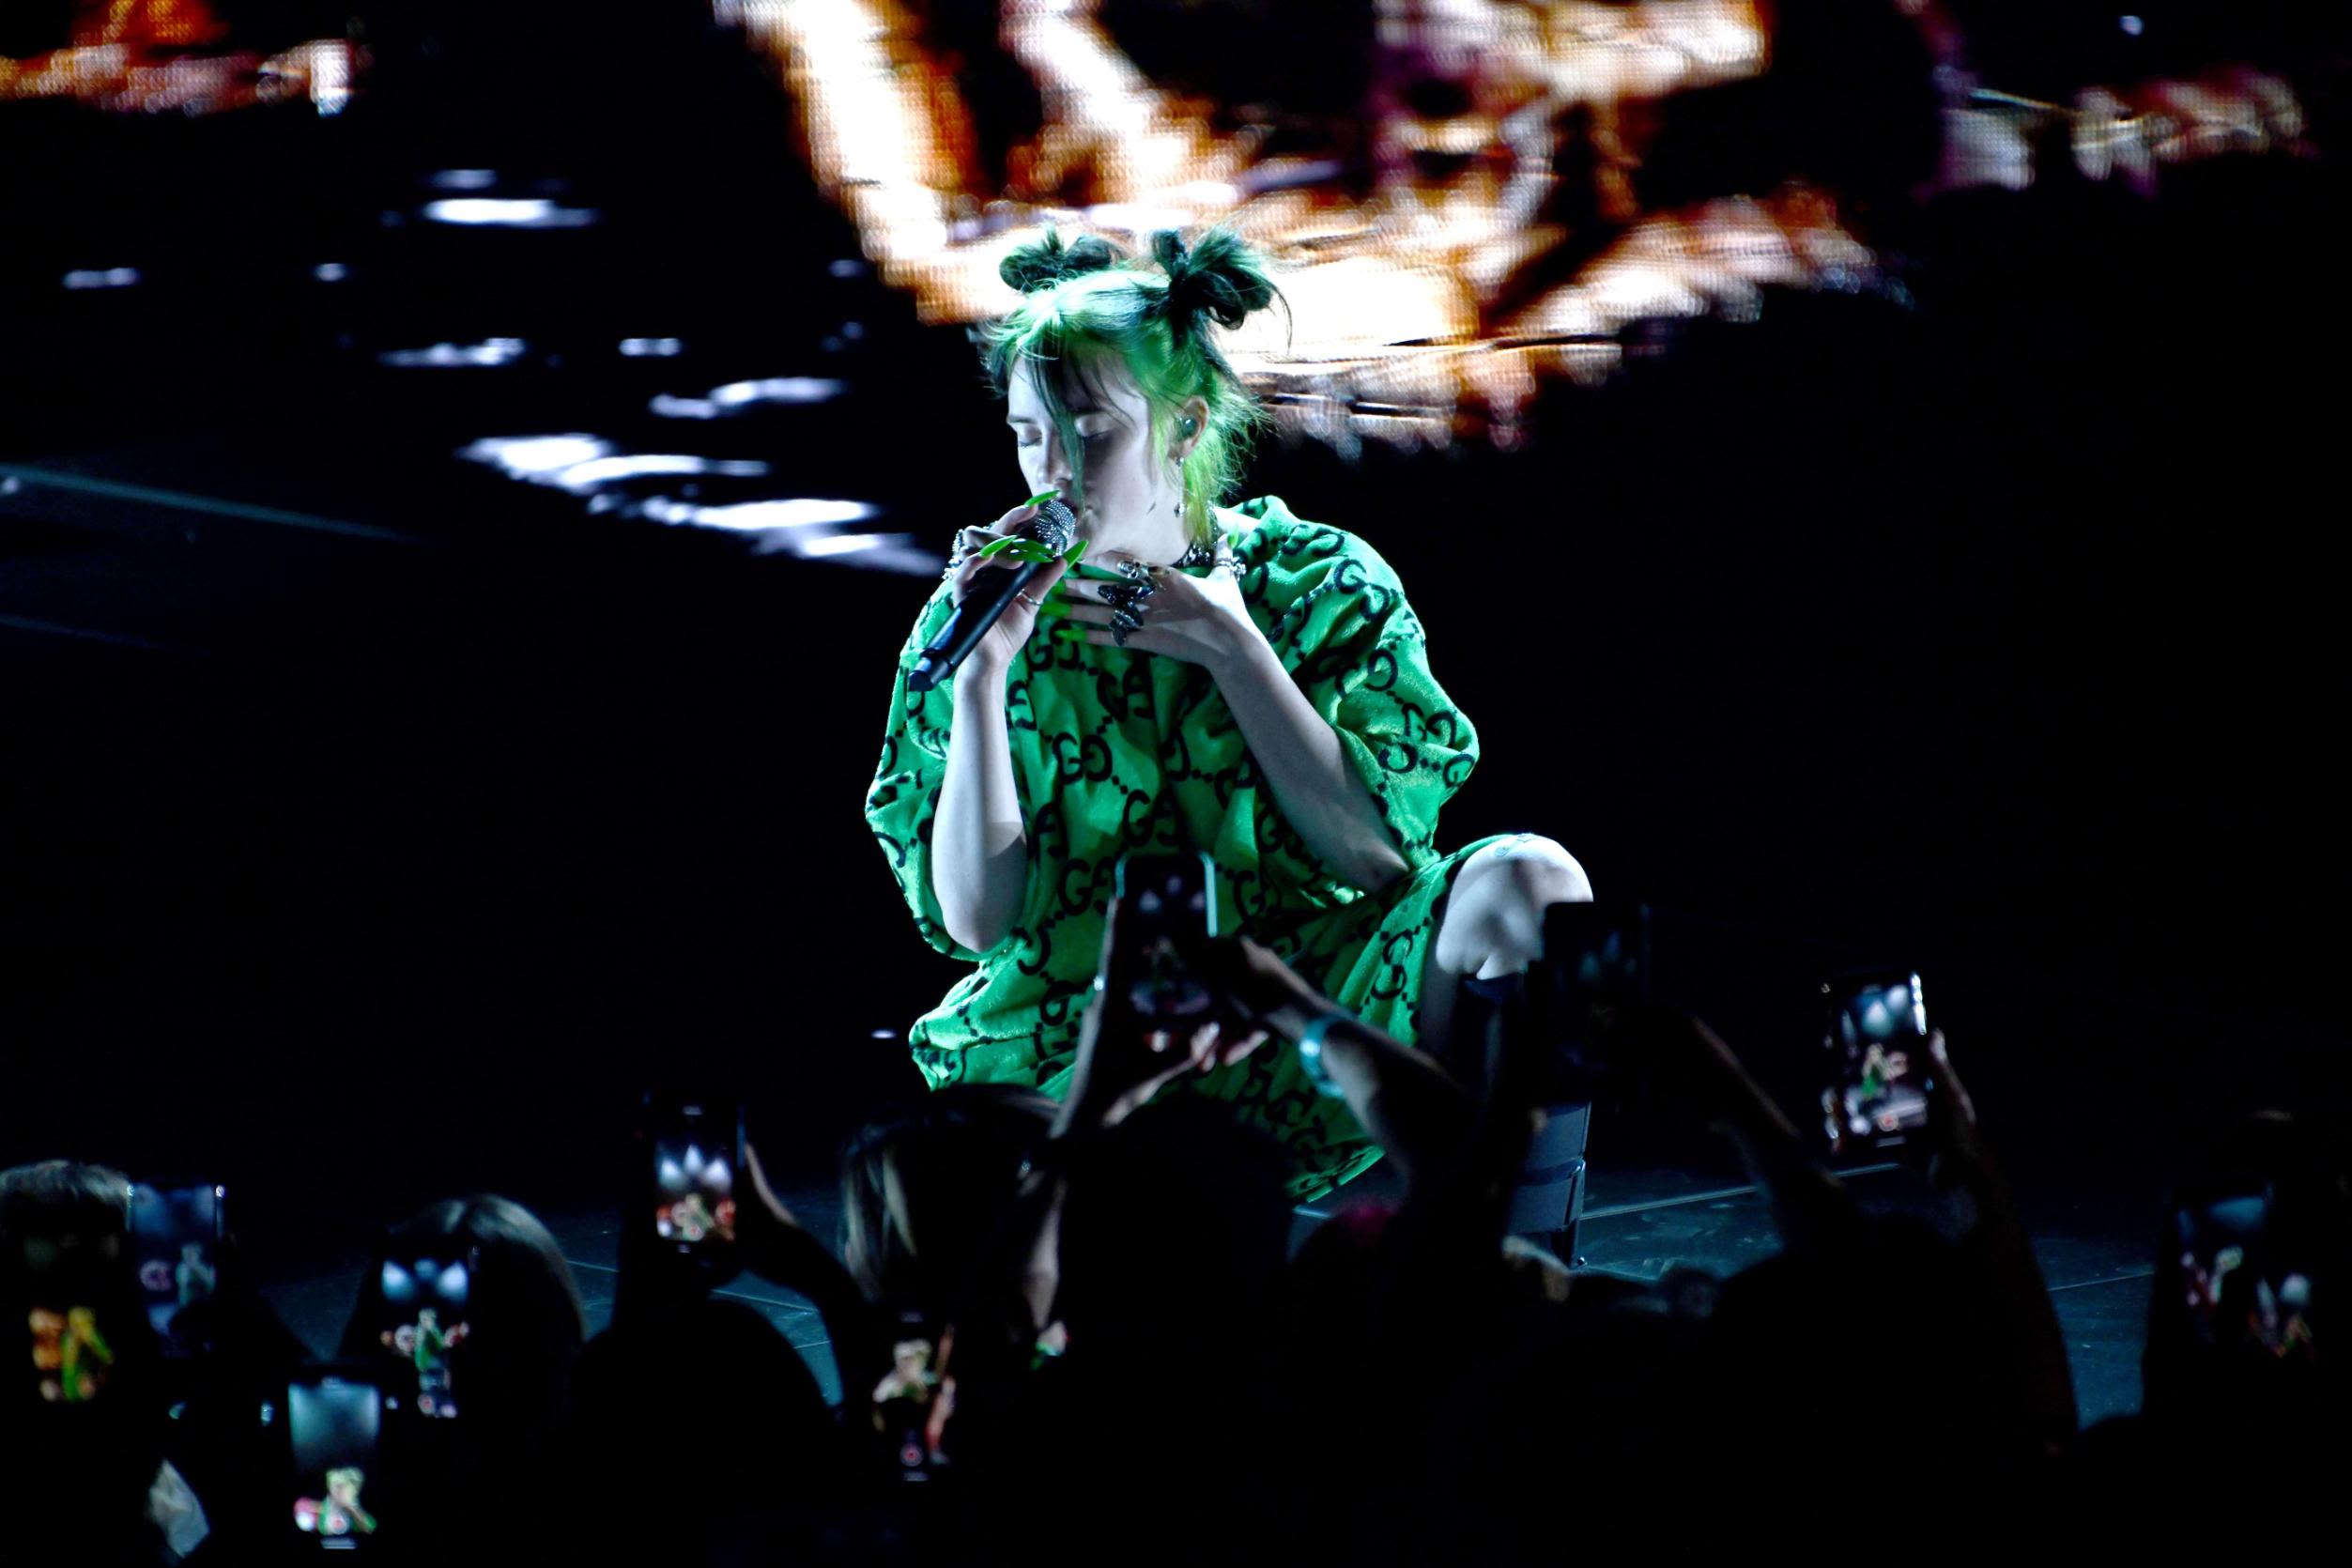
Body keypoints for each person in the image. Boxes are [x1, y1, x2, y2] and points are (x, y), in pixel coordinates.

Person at [865, 224, 1591, 1199]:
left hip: (1309, 1009)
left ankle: (1518, 1257)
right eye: (1030, 433)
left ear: (1187, 424)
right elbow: (979, 920)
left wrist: (1234, 648)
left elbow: (1378, 861)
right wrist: (981, 680)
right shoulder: (984, 615)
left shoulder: (1320, 581)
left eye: (1092, 429)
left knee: (1532, 878)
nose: (1054, 470)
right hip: (1085, 1041)